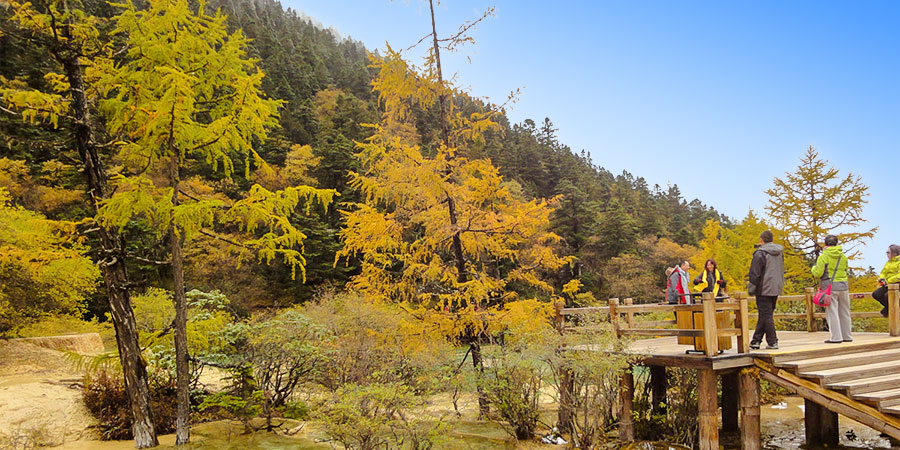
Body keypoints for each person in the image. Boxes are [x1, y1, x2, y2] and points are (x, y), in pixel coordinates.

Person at [747, 230, 785, 350]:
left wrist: (751, 289)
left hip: (763, 288)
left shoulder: (760, 253)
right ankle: (756, 340)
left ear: (761, 240)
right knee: (765, 314)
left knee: (766, 315)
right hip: (776, 286)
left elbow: (755, 273)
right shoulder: (779, 253)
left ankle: (773, 341)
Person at [811, 235, 851, 344]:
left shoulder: (824, 256)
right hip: (843, 285)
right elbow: (845, 269)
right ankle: (847, 335)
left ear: (825, 244)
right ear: (837, 243)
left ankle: (836, 337)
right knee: (845, 312)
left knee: (832, 312)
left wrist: (813, 268)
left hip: (830, 287)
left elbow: (818, 273)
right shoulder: (842, 256)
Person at [872, 244, 900, 317]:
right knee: (876, 294)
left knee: (888, 296)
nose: (886, 254)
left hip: (897, 284)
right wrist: (882, 279)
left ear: (894, 253)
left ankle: (892, 309)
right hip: (888, 284)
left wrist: (889, 281)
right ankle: (889, 308)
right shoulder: (888, 262)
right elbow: (883, 272)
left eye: (888, 252)